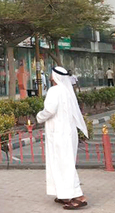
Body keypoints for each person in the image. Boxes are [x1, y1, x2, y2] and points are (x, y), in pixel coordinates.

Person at [36, 66, 89, 210]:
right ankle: (64, 194)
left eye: (51, 74)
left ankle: (79, 197)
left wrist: (39, 117)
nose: (50, 76)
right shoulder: (67, 91)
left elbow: (49, 110)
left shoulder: (55, 90)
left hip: (59, 134)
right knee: (61, 164)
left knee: (64, 165)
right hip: (68, 133)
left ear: (54, 76)